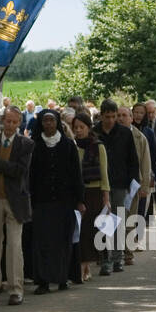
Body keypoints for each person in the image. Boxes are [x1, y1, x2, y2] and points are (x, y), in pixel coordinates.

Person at [28, 108, 83, 294]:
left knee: (62, 241)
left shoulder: (68, 145)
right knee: (42, 242)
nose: (48, 124)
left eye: (51, 120)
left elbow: (76, 175)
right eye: (45, 121)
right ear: (41, 123)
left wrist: (79, 200)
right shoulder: (34, 145)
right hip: (41, 202)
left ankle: (62, 278)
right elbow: (30, 176)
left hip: (64, 202)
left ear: (57, 122)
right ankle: (42, 281)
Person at [0, 105, 34, 306]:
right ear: (2, 120)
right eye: (8, 121)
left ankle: (16, 289)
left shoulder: (26, 144)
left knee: (14, 246)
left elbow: (20, 170)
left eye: (14, 122)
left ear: (20, 123)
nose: (10, 125)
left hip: (15, 201)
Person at [97, 101, 139, 275]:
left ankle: (118, 257)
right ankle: (105, 259)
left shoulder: (124, 133)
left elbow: (132, 160)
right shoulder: (95, 133)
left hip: (120, 183)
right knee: (103, 222)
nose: (111, 120)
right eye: (107, 117)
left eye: (113, 117)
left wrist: (132, 182)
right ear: (101, 116)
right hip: (99, 184)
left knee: (118, 220)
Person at [72, 111, 110, 282]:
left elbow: (104, 173)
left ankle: (87, 265)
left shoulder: (98, 146)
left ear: (88, 127)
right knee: (80, 231)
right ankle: (82, 264)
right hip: (79, 193)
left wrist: (106, 198)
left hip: (94, 192)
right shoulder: (72, 146)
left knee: (90, 230)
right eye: (76, 128)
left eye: (82, 127)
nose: (79, 131)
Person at [121, 104, 153, 264]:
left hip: (133, 185)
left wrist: (145, 187)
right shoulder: (109, 136)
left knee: (130, 217)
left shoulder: (140, 138)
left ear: (131, 118)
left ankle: (127, 252)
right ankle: (111, 253)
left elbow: (146, 165)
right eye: (118, 115)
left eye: (124, 115)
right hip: (115, 184)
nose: (121, 119)